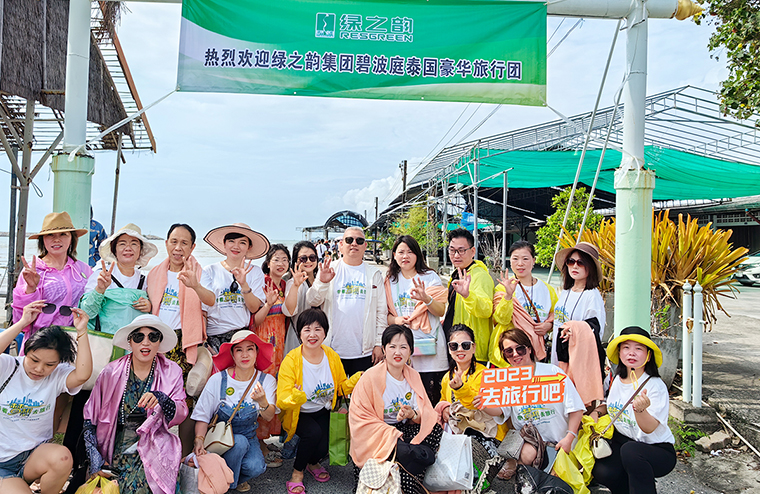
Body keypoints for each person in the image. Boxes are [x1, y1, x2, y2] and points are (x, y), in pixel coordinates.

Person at [67, 223, 158, 474]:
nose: (128, 248)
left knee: (122, 411)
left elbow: (155, 319)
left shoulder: (146, 280)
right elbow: (85, 312)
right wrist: (100, 289)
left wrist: (149, 306)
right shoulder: (100, 273)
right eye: (122, 244)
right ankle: (76, 464)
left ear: (140, 251)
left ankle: (111, 464)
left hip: (132, 356)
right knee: (86, 407)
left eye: (134, 243)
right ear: (114, 249)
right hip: (102, 353)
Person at [83, 314, 188, 494]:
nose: (145, 342)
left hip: (155, 446)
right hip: (114, 445)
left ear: (159, 342)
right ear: (130, 341)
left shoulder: (172, 371)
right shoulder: (111, 371)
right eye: (139, 337)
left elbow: (181, 412)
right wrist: (95, 459)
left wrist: (162, 399)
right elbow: (89, 419)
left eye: (153, 337)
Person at [0, 301, 92, 494]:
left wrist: (82, 332)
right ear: (27, 351)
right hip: (2, 463)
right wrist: (23, 322)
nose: (39, 369)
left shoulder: (57, 375)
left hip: (33, 457)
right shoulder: (7, 367)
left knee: (62, 458)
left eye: (50, 364)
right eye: (34, 360)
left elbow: (83, 375)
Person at [349, 325, 443, 494]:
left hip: (403, 430)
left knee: (434, 427)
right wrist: (391, 436)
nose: (397, 352)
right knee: (408, 458)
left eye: (403, 347)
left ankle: (408, 460)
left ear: (411, 350)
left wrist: (412, 414)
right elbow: (360, 419)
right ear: (384, 349)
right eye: (392, 346)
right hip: (377, 434)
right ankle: (410, 462)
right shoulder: (370, 377)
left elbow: (425, 413)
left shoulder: (413, 375)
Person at [277, 308, 362, 494]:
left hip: (323, 409)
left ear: (325, 332)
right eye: (307, 329)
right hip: (299, 413)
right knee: (313, 434)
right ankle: (297, 472)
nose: (312, 334)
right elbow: (282, 399)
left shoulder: (331, 355)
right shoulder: (291, 360)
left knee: (327, 443)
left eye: (318, 329)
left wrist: (356, 379)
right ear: (300, 333)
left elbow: (340, 387)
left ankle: (313, 462)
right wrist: (296, 396)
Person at [480, 329, 584, 469]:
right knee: (526, 456)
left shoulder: (553, 373)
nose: (515, 354)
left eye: (520, 349)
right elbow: (500, 410)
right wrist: (483, 405)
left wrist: (569, 438)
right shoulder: (507, 381)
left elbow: (575, 407)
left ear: (529, 349)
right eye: (509, 351)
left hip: (561, 444)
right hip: (530, 444)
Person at [592, 327, 676, 494]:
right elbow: (611, 405)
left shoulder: (655, 386)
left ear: (648, 355)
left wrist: (640, 410)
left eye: (638, 348)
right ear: (619, 353)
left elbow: (649, 428)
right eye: (626, 347)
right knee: (603, 470)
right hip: (624, 442)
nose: (631, 353)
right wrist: (597, 412)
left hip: (655, 449)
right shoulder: (616, 379)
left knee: (631, 452)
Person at [146, 223, 205, 455]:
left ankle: (184, 455)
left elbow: (210, 301)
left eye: (184, 243)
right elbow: (152, 305)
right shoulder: (154, 273)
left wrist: (196, 286)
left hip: (184, 341)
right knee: (153, 395)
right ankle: (153, 451)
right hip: (156, 341)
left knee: (186, 398)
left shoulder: (200, 272)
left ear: (192, 247)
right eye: (174, 241)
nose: (178, 247)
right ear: (166, 243)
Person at [192, 330, 278, 492]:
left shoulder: (266, 380)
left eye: (250, 349)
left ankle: (225, 480)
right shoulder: (218, 379)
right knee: (239, 443)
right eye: (239, 350)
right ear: (232, 354)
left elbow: (268, 416)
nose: (245, 355)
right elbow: (202, 415)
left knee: (257, 467)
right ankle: (228, 485)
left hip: (249, 437)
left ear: (257, 352)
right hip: (218, 441)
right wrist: (199, 439)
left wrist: (263, 402)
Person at [306, 227, 388, 376]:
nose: (354, 244)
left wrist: (378, 343)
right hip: (332, 350)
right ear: (341, 245)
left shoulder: (374, 274)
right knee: (333, 391)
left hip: (365, 351)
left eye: (359, 241)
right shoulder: (329, 269)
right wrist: (322, 282)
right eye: (349, 240)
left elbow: (381, 312)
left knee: (363, 391)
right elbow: (312, 300)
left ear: (365, 246)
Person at [11, 212, 92, 349]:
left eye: (63, 234)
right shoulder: (32, 270)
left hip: (74, 341)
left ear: (72, 238)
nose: (57, 240)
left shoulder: (84, 269)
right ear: (43, 240)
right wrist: (30, 289)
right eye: (50, 235)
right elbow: (19, 319)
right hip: (40, 342)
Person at [384, 235, 447, 404]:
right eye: (401, 252)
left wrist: (426, 299)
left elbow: (440, 310)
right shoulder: (390, 281)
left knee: (432, 400)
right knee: (408, 401)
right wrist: (396, 320)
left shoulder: (430, 277)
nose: (405, 256)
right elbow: (384, 315)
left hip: (430, 349)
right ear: (394, 255)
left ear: (418, 255)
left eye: (410, 252)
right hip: (403, 351)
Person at [195, 223, 269, 352]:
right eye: (231, 241)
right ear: (224, 244)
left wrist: (244, 284)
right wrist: (204, 341)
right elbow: (203, 310)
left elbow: (254, 308)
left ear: (249, 247)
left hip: (242, 336)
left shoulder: (255, 272)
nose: (236, 246)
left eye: (242, 242)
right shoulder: (209, 270)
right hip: (214, 336)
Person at [551, 242, 607, 407]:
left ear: (590, 267)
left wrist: (574, 331)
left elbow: (595, 329)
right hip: (559, 354)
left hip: (577, 360)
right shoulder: (566, 292)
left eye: (581, 263)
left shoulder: (592, 295)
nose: (575, 266)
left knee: (576, 404)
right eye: (571, 261)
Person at [252, 244, 291, 466]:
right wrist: (267, 304)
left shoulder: (284, 285)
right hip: (264, 340)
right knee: (262, 387)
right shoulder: (261, 283)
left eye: (285, 259)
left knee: (275, 386)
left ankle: (266, 438)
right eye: (276, 259)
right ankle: (258, 442)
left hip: (281, 343)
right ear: (268, 263)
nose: (281, 263)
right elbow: (255, 319)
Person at [491, 240, 557, 367]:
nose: (520, 263)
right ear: (510, 261)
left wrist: (549, 325)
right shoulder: (502, 288)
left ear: (534, 260)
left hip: (535, 356)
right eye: (515, 259)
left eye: (525, 259)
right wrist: (508, 296)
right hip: (508, 358)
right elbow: (501, 319)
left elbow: (556, 315)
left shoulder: (548, 289)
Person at [436, 324, 504, 440]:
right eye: (454, 346)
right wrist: (444, 408)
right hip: (458, 434)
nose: (460, 349)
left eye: (465, 345)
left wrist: (460, 389)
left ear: (474, 348)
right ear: (449, 349)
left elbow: (476, 405)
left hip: (486, 435)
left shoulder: (485, 374)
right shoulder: (447, 377)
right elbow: (444, 400)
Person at [442, 229, 494, 363]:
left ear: (473, 251)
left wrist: (467, 295)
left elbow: (486, 310)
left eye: (461, 250)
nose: (456, 255)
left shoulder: (480, 276)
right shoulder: (456, 274)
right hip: (457, 346)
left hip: (472, 351)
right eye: (452, 250)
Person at [283, 241, 319, 355]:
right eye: (303, 259)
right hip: (299, 339)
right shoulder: (293, 283)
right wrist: (295, 286)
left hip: (321, 338)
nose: (308, 261)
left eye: (312, 257)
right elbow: (290, 311)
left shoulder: (321, 280)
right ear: (296, 261)